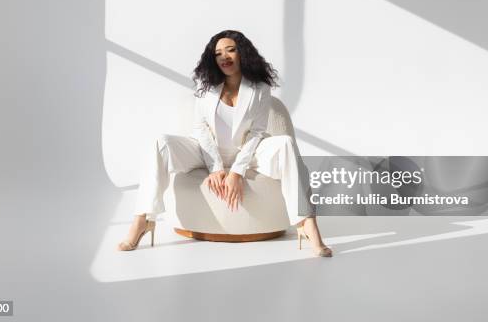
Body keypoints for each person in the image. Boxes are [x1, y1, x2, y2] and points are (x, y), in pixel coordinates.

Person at [117, 30, 332, 257]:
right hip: (207, 151)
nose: (224, 57)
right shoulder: (206, 86)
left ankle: (306, 223)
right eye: (218, 53)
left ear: (243, 54)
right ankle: (142, 220)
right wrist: (217, 168)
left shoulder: (259, 88)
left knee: (286, 143)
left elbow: (257, 132)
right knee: (160, 142)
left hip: (249, 151)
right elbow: (201, 129)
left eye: (231, 50)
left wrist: (236, 172)